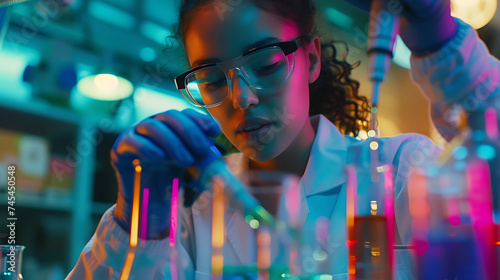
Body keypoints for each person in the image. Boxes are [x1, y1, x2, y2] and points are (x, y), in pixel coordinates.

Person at [66, 0, 500, 279]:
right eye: (212, 79)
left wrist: (442, 46)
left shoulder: (402, 170)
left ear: (310, 59)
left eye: (267, 63)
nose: (242, 97)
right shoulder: (187, 212)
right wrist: (136, 221)